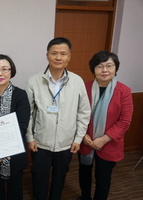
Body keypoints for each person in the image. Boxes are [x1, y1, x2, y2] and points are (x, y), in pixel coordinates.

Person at [25, 37, 91, 200]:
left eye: (63, 54)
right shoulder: (34, 81)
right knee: (39, 178)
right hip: (40, 142)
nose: (58, 57)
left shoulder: (77, 81)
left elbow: (84, 112)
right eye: (54, 53)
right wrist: (30, 137)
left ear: (69, 56)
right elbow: (28, 113)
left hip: (66, 143)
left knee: (60, 179)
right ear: (47, 55)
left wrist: (78, 138)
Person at [76, 51, 133, 200]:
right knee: (84, 173)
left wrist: (103, 139)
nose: (105, 70)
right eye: (100, 66)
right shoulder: (85, 87)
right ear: (93, 69)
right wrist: (82, 134)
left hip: (109, 143)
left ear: (116, 68)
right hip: (86, 140)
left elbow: (124, 121)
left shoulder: (124, 91)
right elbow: (76, 114)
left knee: (103, 179)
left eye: (109, 66)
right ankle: (85, 197)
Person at [0, 54, 30, 200]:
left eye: (4, 69)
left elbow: (22, 126)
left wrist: (4, 148)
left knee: (15, 193)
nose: (0, 73)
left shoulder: (20, 95)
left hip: (13, 154)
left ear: (11, 71)